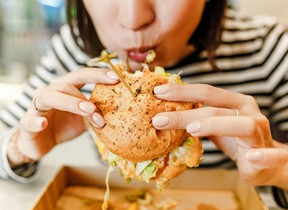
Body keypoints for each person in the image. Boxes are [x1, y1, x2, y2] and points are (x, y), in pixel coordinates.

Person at [0, 0, 288, 196]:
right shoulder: (75, 53)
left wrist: (277, 170)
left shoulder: (270, 49)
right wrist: (20, 148)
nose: (134, 20)